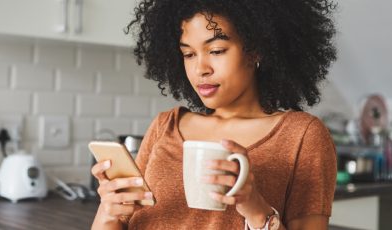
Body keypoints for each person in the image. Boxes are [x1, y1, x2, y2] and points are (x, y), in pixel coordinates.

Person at [91, 0, 338, 229]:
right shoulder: (164, 125)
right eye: (188, 54)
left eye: (217, 50)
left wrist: (255, 208)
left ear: (256, 50)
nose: (200, 69)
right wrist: (108, 213)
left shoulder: (302, 136)